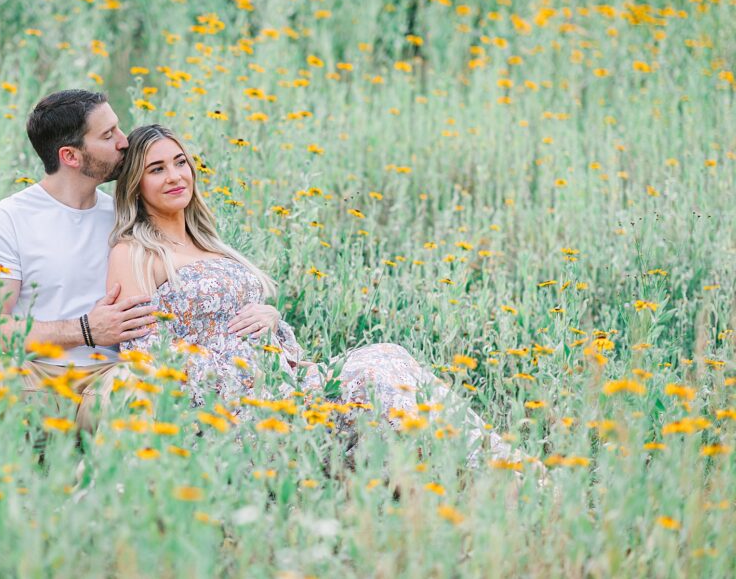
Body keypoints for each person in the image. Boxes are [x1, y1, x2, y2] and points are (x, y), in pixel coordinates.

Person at [107, 124, 528, 468]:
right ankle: (492, 471)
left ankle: (498, 466)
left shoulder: (209, 244)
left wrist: (271, 318)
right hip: (241, 404)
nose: (176, 176)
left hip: (286, 379)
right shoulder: (136, 253)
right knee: (375, 374)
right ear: (136, 186)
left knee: (389, 358)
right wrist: (238, 369)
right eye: (156, 169)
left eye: (180, 162)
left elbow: (241, 315)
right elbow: (144, 355)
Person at [0, 90, 283, 431]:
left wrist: (266, 314)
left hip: (114, 376)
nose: (124, 142)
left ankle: (114, 480)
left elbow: (195, 295)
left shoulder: (130, 217)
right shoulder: (5, 222)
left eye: (118, 129)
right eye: (108, 134)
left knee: (136, 384)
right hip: (37, 376)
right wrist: (85, 330)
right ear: (70, 155)